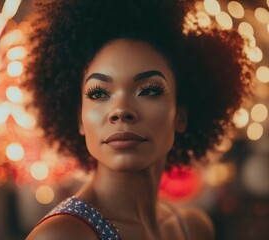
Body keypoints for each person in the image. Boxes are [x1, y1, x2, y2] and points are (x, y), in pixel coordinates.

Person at [24, 0, 252, 239]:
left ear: (180, 115)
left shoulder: (194, 228)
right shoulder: (61, 235)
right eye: (98, 93)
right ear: (79, 119)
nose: (120, 110)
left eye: (149, 90)